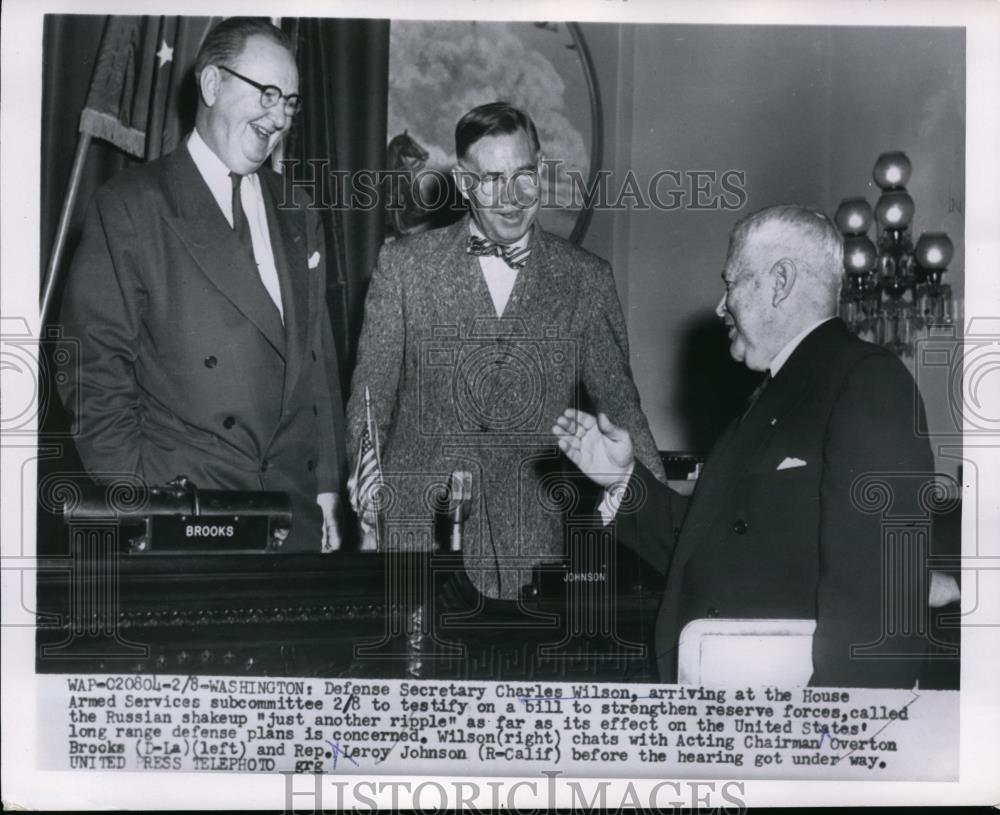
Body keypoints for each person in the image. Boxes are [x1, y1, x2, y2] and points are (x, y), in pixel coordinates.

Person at [554, 204, 937, 688]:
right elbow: (711, 548)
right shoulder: (771, 397)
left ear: (780, 281)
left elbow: (880, 606)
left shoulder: (866, 381)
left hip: (796, 719)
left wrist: (835, 729)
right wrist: (623, 480)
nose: (721, 306)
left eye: (731, 283)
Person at [346, 101, 665, 599]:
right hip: (416, 541)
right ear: (464, 182)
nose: (512, 197)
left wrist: (666, 530)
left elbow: (624, 413)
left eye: (524, 176)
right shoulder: (404, 267)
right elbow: (370, 405)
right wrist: (370, 498)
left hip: (532, 553)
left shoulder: (586, 279)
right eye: (492, 180)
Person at [58, 18, 346, 551]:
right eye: (267, 94)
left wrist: (327, 486)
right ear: (212, 84)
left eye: (290, 102)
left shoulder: (299, 210)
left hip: (294, 516)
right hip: (185, 516)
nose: (279, 117)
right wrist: (142, 497)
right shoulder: (132, 206)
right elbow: (90, 371)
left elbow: (316, 360)